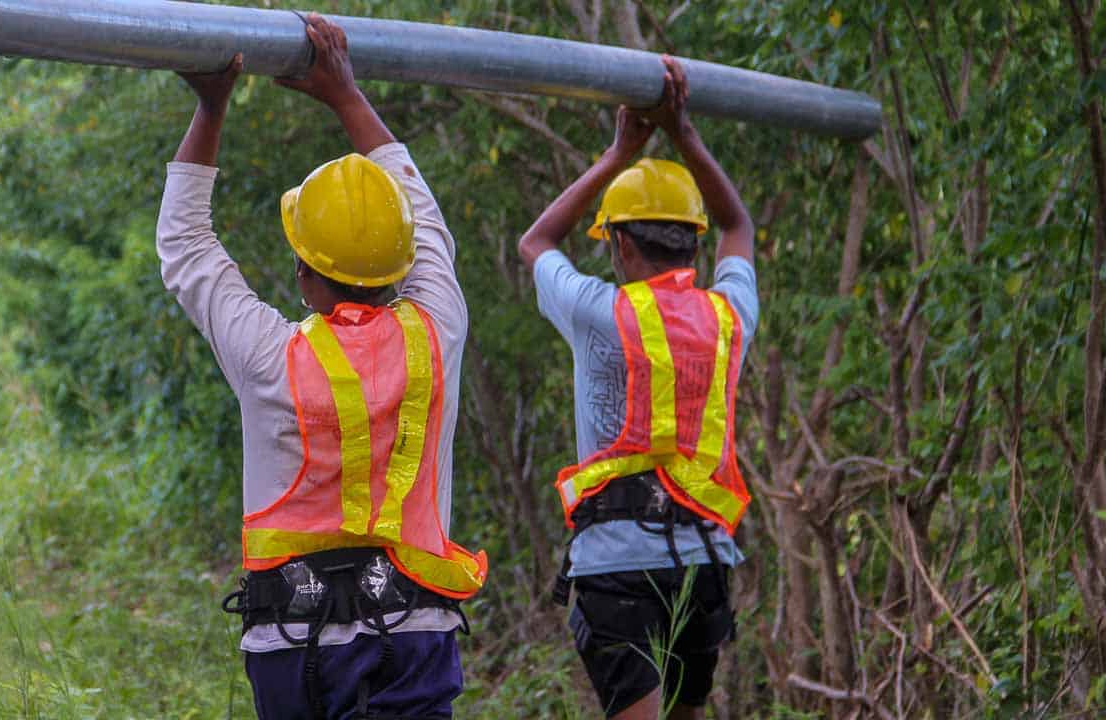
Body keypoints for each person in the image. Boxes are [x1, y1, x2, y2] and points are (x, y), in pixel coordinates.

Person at [156, 14, 486, 719]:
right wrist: (346, 96)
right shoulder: (437, 330)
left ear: (306, 276)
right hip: (417, 633)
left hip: (295, 646)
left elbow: (185, 244)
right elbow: (425, 221)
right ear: (402, 264)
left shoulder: (272, 358)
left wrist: (211, 106)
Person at [516, 56, 757, 720]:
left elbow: (536, 241)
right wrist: (686, 136)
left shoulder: (601, 312)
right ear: (697, 250)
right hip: (703, 563)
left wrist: (619, 152)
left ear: (620, 246)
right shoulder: (728, 316)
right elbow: (740, 225)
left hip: (614, 565)